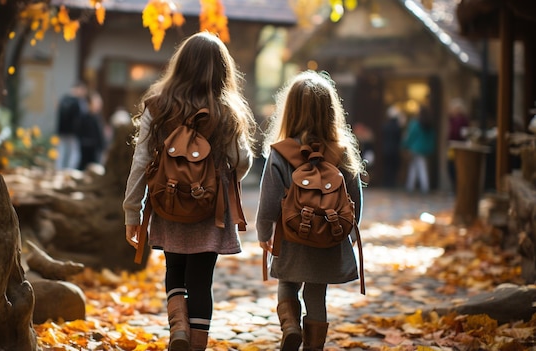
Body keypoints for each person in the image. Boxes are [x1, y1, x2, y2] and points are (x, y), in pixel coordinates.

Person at [123, 31, 256, 351]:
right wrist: (220, 175)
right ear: (222, 71)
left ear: (179, 66)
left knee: (175, 271)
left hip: (168, 203)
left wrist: (133, 212)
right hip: (209, 210)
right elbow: (242, 161)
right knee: (201, 282)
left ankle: (178, 328)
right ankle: (195, 344)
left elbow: (140, 163)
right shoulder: (225, 111)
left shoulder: (157, 107)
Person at [256, 70, 365, 351]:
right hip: (328, 238)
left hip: (291, 238)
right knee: (317, 296)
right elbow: (355, 199)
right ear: (331, 111)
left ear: (289, 110)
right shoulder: (341, 152)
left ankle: (290, 327)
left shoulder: (280, 153)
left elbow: (268, 202)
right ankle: (313, 347)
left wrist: (264, 233)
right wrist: (349, 234)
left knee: (288, 284)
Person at [402, 104, 436, 193]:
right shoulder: (429, 124)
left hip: (415, 148)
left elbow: (410, 136)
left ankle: (422, 187)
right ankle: (412, 186)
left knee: (419, 167)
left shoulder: (415, 124)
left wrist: (405, 145)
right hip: (425, 149)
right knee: (416, 167)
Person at [56, 81, 88, 170]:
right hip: (73, 132)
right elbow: (81, 118)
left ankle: (60, 169)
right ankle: (69, 170)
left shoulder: (63, 100)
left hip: (63, 131)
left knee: (62, 151)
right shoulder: (78, 102)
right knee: (73, 153)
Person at [77, 91, 107, 170]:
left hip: (95, 148)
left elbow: (100, 134)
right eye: (96, 102)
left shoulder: (97, 117)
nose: (99, 104)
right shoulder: (84, 117)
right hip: (87, 148)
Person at [446, 98, 470, 191]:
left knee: (454, 168)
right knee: (453, 167)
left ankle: (457, 189)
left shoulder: (459, 120)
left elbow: (456, 134)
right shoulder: (456, 119)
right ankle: (456, 189)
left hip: (457, 147)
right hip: (454, 146)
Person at [381, 104, 404, 188]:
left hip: (386, 149)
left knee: (387, 167)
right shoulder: (397, 127)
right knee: (393, 167)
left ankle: (387, 182)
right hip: (394, 149)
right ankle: (392, 183)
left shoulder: (386, 126)